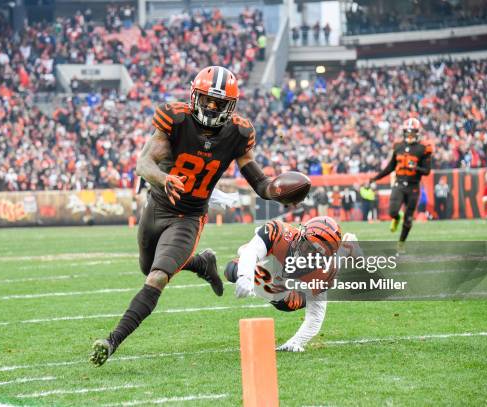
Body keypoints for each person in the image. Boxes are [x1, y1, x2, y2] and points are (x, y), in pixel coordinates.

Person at [89, 66, 288, 366]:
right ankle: (201, 262)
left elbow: (261, 184)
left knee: (157, 277)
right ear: (194, 96)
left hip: (189, 216)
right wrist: (163, 178)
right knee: (148, 267)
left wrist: (278, 191)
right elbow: (144, 164)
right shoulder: (176, 119)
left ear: (230, 106)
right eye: (206, 99)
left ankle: (112, 340)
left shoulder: (238, 133)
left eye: (217, 103)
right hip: (157, 206)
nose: (210, 107)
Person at [224, 216, 361, 352]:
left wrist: (296, 342)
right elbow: (252, 250)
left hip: (295, 281)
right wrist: (245, 276)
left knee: (286, 304)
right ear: (302, 233)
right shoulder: (280, 233)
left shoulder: (324, 272)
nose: (305, 252)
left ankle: (348, 246)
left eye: (313, 252)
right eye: (306, 244)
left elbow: (315, 316)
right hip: (273, 262)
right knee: (232, 270)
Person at [369, 118, 432, 244]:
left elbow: (427, 171)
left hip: (413, 186)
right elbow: (391, 166)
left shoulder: (423, 148)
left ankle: (401, 243)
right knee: (392, 211)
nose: (409, 135)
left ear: (417, 133)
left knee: (408, 219)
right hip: (399, 184)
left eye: (412, 132)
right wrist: (376, 178)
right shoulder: (398, 146)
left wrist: (416, 167)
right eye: (407, 132)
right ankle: (397, 218)